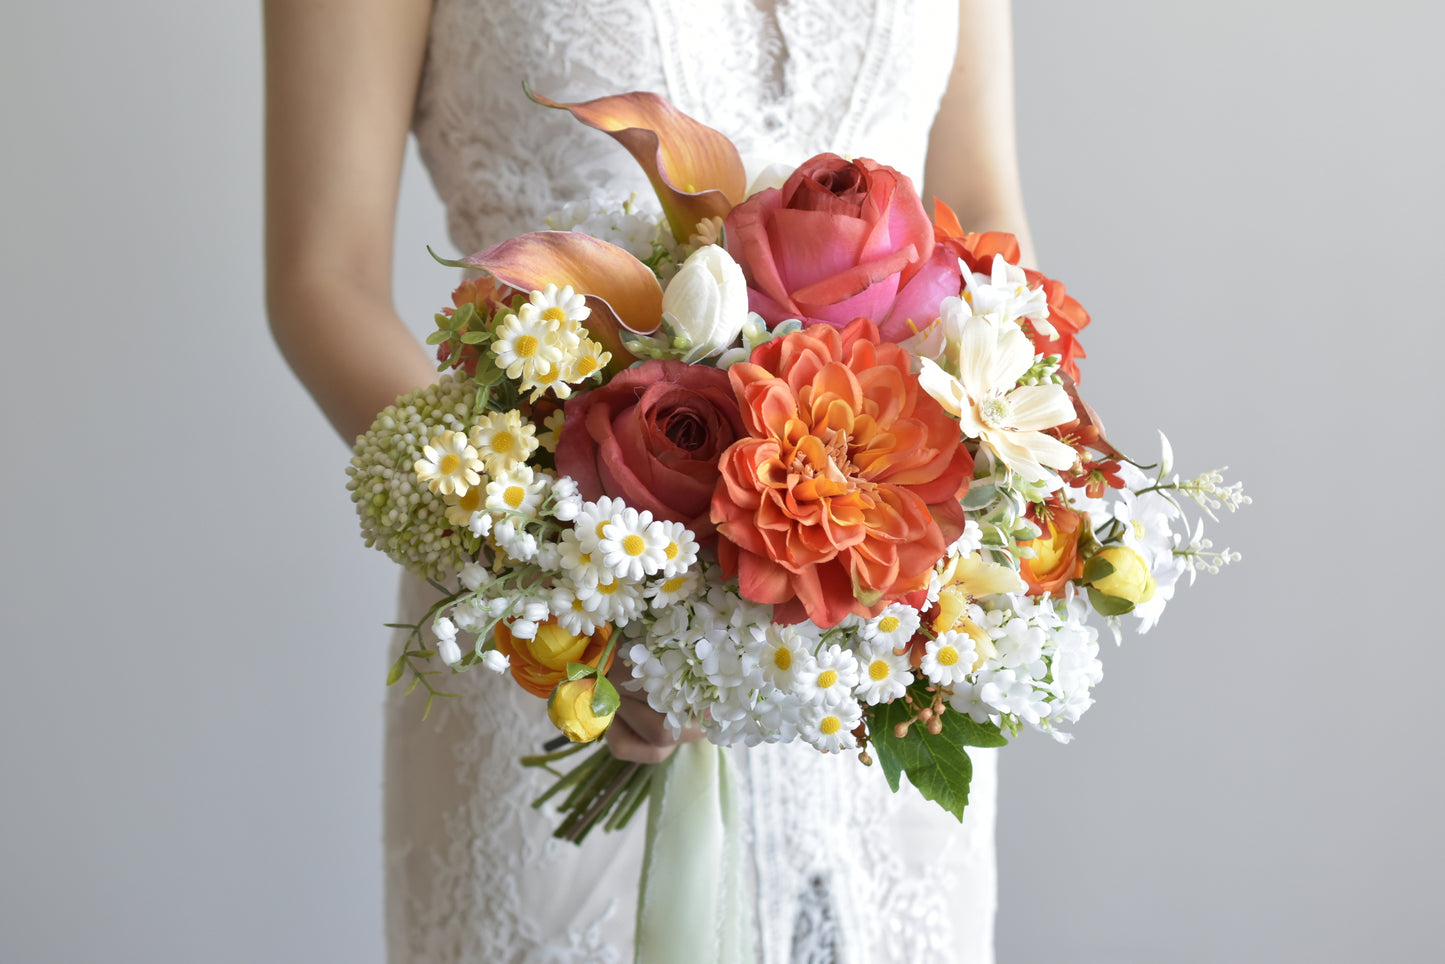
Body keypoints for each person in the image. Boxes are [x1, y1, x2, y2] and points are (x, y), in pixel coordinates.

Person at [265, 2, 1036, 961]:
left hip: (877, 634)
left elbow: (983, 211)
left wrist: (1000, 499)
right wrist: (573, 586)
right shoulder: (567, 594)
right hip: (562, 631)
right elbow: (321, 278)